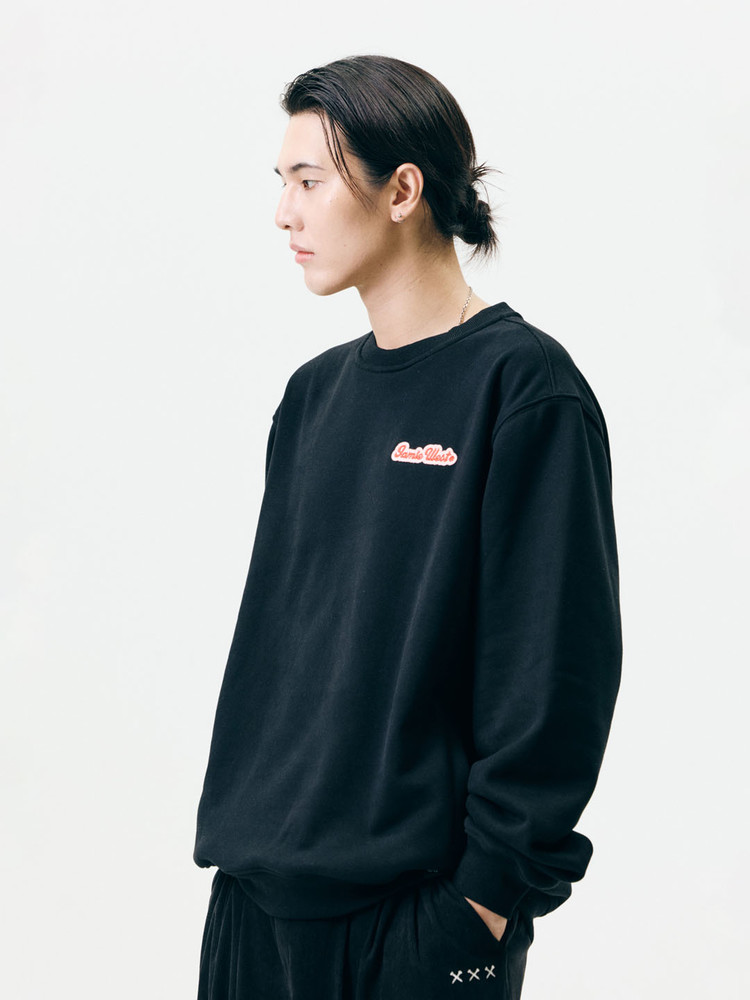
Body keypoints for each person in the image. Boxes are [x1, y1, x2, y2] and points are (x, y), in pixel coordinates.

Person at [193, 54, 622, 1000]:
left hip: (418, 927)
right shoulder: (312, 399)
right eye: (281, 182)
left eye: (309, 181)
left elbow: (556, 678)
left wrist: (482, 908)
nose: (284, 212)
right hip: (254, 910)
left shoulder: (524, 389)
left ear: (402, 192)